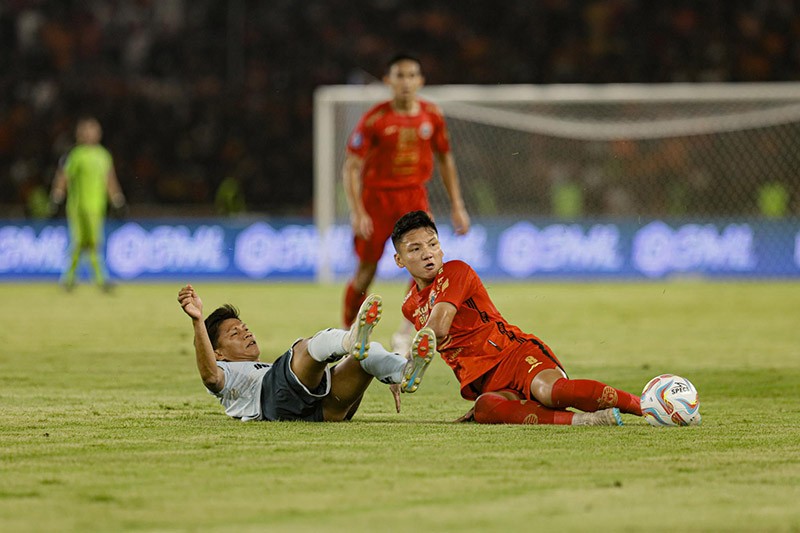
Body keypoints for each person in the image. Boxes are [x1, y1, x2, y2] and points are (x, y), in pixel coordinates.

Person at [391, 211, 644, 426]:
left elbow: (439, 329)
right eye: (415, 249)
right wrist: (400, 371)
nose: (428, 253)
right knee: (485, 408)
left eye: (433, 244)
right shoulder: (410, 305)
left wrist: (410, 362)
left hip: (514, 356)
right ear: (399, 260)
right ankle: (585, 421)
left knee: (551, 392)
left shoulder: (455, 271)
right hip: (487, 383)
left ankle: (645, 406)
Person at [341, 52, 471, 339]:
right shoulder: (375, 119)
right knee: (366, 270)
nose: (406, 82)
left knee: (424, 266)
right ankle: (347, 331)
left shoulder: (432, 115)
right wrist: (358, 211)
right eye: (400, 76)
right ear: (388, 80)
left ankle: (408, 331)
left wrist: (457, 205)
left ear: (421, 80)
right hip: (377, 200)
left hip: (413, 198)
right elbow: (351, 166)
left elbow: (446, 159)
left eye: (412, 75)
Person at [177, 285, 436, 422]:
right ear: (218, 353)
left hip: (324, 412)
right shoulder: (225, 373)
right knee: (303, 349)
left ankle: (402, 371)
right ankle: (349, 338)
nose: (246, 333)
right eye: (234, 334)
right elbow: (210, 376)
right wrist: (197, 321)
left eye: (245, 328)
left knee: (363, 357)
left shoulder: (262, 368)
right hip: (272, 400)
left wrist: (386, 373)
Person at [49, 117, 126, 291]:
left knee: (93, 242)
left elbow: (109, 179)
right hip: (77, 207)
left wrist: (118, 200)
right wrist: (57, 197)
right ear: (80, 134)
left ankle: (77, 279)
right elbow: (63, 177)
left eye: (94, 130)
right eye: (87, 131)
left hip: (96, 207)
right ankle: (85, 279)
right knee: (79, 242)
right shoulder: (75, 155)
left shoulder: (103, 155)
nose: (91, 134)